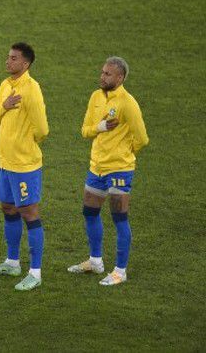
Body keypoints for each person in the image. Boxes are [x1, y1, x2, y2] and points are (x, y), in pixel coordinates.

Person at [68, 57, 149, 285]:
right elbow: (85, 130)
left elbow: (142, 138)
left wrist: (123, 153)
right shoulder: (96, 97)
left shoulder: (127, 103)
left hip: (119, 170)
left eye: (108, 74)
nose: (102, 76)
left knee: (119, 218)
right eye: (102, 72)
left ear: (120, 78)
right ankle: (95, 262)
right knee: (90, 212)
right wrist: (100, 127)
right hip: (97, 167)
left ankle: (120, 271)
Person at [0, 42, 49, 291]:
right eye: (7, 57)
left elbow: (42, 129)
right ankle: (12, 262)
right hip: (4, 163)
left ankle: (35, 272)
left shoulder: (32, 90)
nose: (8, 62)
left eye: (13, 59)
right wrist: (5, 106)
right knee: (8, 208)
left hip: (24, 165)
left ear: (25, 64)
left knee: (30, 214)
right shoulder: (5, 86)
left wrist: (24, 143)